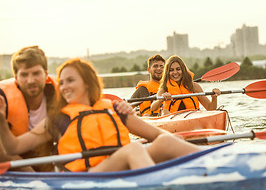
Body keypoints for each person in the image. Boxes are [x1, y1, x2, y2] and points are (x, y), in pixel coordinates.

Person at [0, 58, 200, 172]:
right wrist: (1, 120)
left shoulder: (114, 107)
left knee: (167, 141)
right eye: (61, 82)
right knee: (134, 150)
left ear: (86, 82)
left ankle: (218, 164)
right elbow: (13, 147)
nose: (64, 87)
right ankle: (162, 188)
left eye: (70, 80)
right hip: (89, 174)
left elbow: (157, 136)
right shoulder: (58, 118)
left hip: (121, 165)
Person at [0, 46, 56, 172]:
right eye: (24, 75)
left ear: (46, 74)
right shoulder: (2, 98)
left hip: (46, 161)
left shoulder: (61, 95)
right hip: (13, 166)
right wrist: (33, 176)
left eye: (36, 73)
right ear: (16, 77)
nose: (30, 81)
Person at [150, 55, 221, 115]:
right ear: (167, 73)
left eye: (178, 69)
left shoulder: (194, 87)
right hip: (172, 119)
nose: (175, 72)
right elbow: (153, 108)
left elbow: (210, 108)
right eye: (171, 70)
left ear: (183, 70)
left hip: (192, 117)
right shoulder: (164, 88)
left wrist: (214, 98)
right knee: (164, 112)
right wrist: (160, 100)